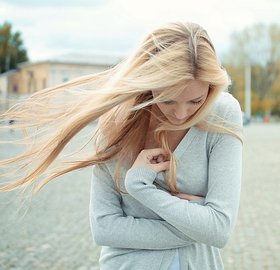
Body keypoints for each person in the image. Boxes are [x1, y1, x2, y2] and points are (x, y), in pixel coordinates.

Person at [0, 21, 243, 269]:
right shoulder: (118, 120)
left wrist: (141, 187)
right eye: (167, 99)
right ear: (150, 83)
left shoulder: (223, 112)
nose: (181, 114)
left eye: (196, 101)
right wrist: (198, 222)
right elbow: (104, 227)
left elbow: (219, 231)